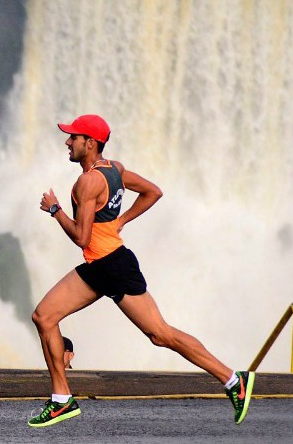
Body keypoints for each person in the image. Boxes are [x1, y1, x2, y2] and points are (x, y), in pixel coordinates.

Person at [26, 114, 253, 428]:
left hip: (113, 268)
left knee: (161, 334)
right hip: (101, 265)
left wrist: (55, 210)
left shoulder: (88, 182)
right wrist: (122, 220)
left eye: (73, 137)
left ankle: (232, 380)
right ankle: (62, 399)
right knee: (44, 316)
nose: (67, 142)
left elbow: (81, 236)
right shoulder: (114, 169)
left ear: (89, 143)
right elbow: (153, 192)